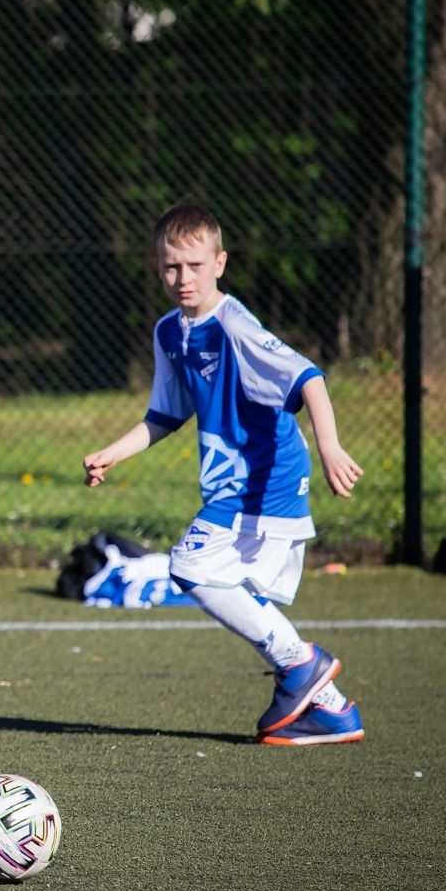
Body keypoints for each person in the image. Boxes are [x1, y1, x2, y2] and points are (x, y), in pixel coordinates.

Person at [83, 203, 366, 746]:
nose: (181, 278)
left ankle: (299, 664)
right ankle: (331, 710)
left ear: (220, 263)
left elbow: (308, 378)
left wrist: (329, 446)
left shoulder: (235, 325)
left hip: (268, 478)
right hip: (230, 486)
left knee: (190, 565)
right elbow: (165, 414)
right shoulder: (170, 331)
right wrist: (114, 452)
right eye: (170, 267)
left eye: (193, 265)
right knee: (222, 580)